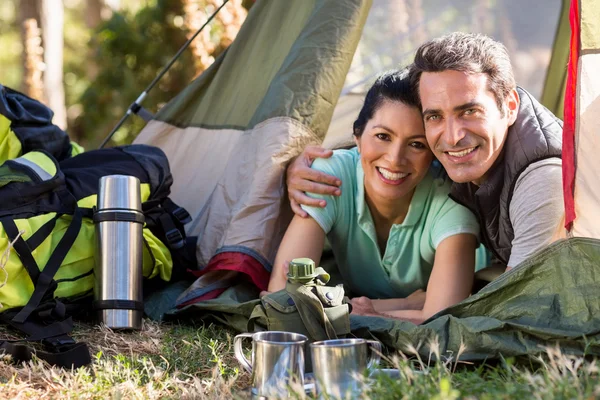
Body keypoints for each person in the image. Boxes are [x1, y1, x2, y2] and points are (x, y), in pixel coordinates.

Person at [286, 32, 564, 275]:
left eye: (469, 111)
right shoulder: (461, 158)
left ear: (511, 105)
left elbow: (517, 308)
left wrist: (399, 309)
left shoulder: (542, 180)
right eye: (434, 116)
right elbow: (385, 153)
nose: (453, 137)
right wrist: (294, 167)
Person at [268, 68, 486, 324]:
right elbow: (284, 296)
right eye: (383, 136)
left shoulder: (452, 201)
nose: (395, 159)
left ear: (434, 152)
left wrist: (354, 310)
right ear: (357, 137)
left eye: (417, 144)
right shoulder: (330, 176)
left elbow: (440, 318)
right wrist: (404, 305)